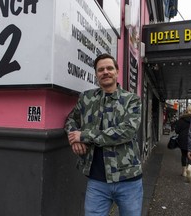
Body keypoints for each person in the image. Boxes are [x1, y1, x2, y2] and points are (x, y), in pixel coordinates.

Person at [64, 53, 143, 216]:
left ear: (117, 71)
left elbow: (126, 131)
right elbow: (71, 119)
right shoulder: (86, 98)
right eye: (101, 70)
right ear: (96, 74)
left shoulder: (132, 100)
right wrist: (74, 138)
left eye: (109, 68)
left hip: (128, 180)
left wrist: (84, 136)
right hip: (97, 180)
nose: (105, 72)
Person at [175, 104, 191, 183]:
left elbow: (176, 130)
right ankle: (189, 167)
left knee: (183, 155)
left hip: (182, 139)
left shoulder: (181, 119)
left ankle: (183, 172)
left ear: (187, 110)